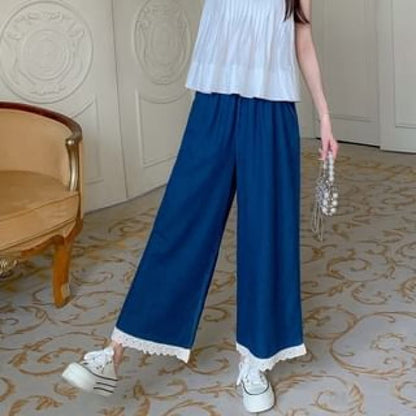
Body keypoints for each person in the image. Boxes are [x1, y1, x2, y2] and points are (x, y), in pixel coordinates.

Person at [62, 0, 339, 413]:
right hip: (214, 104)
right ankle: (115, 351)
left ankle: (256, 360)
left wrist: (324, 116)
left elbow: (302, 38)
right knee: (181, 221)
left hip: (273, 109)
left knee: (266, 235)